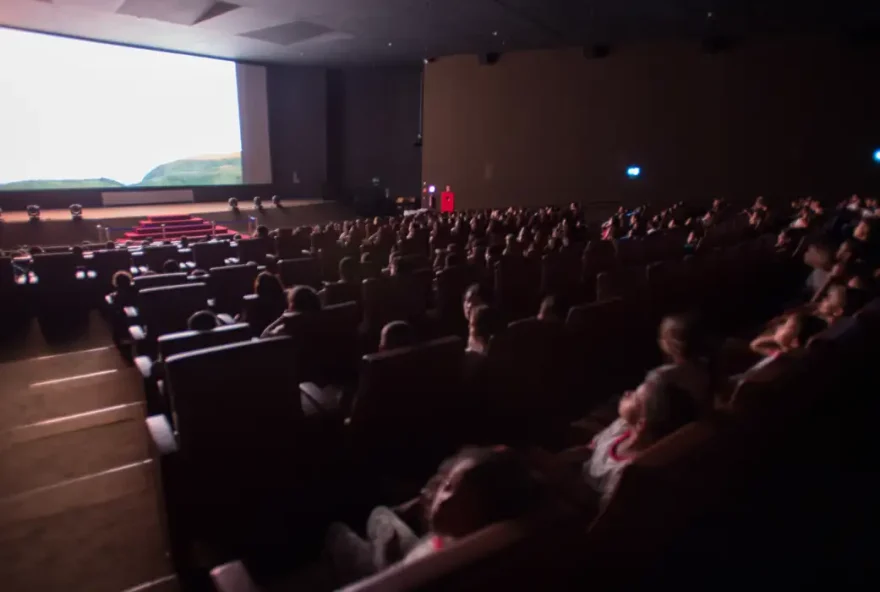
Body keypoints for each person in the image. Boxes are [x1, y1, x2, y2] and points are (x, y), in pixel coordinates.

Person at [324, 446, 546, 586]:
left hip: (390, 570)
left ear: (486, 515)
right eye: (448, 486)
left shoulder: (439, 566)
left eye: (465, 501)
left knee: (338, 531)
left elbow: (396, 578)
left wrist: (384, 557)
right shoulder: (474, 541)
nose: (445, 500)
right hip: (419, 551)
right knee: (382, 512)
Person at [560, 369, 698, 504]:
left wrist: (560, 475)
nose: (627, 392)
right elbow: (591, 450)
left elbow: (592, 502)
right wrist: (561, 459)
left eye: (634, 397)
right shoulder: (622, 426)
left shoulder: (625, 472)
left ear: (640, 424)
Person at [749, 312, 827, 357]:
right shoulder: (781, 352)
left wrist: (774, 338)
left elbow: (755, 344)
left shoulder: (785, 356)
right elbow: (755, 344)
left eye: (786, 326)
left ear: (795, 341)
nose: (779, 327)